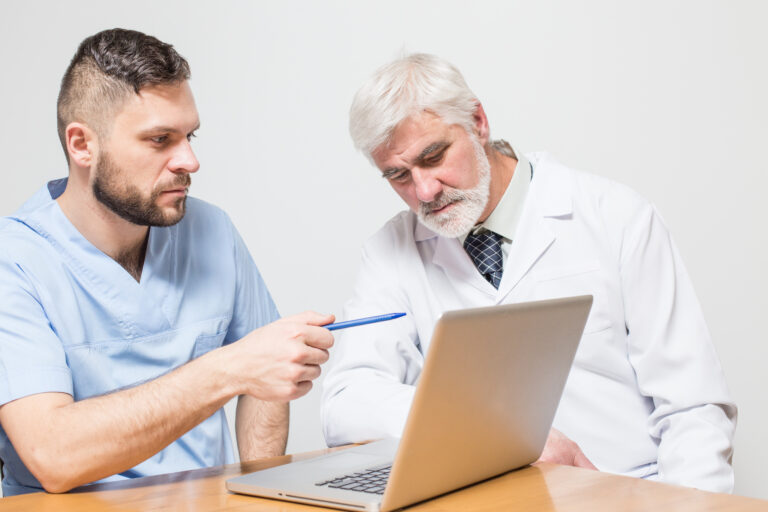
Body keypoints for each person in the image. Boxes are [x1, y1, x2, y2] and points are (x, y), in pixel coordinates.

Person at [321, 53, 737, 492]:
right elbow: (346, 404)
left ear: (478, 121)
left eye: (434, 156)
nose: (424, 190)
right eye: (398, 175)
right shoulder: (391, 252)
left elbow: (693, 407)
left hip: (626, 492)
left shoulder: (616, 217)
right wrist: (499, 432)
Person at [0, 28, 335, 496]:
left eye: (189, 136)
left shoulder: (212, 230)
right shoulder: (14, 261)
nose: (190, 161)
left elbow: (264, 380)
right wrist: (230, 368)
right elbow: (52, 456)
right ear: (82, 145)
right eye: (161, 140)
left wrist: (264, 496)